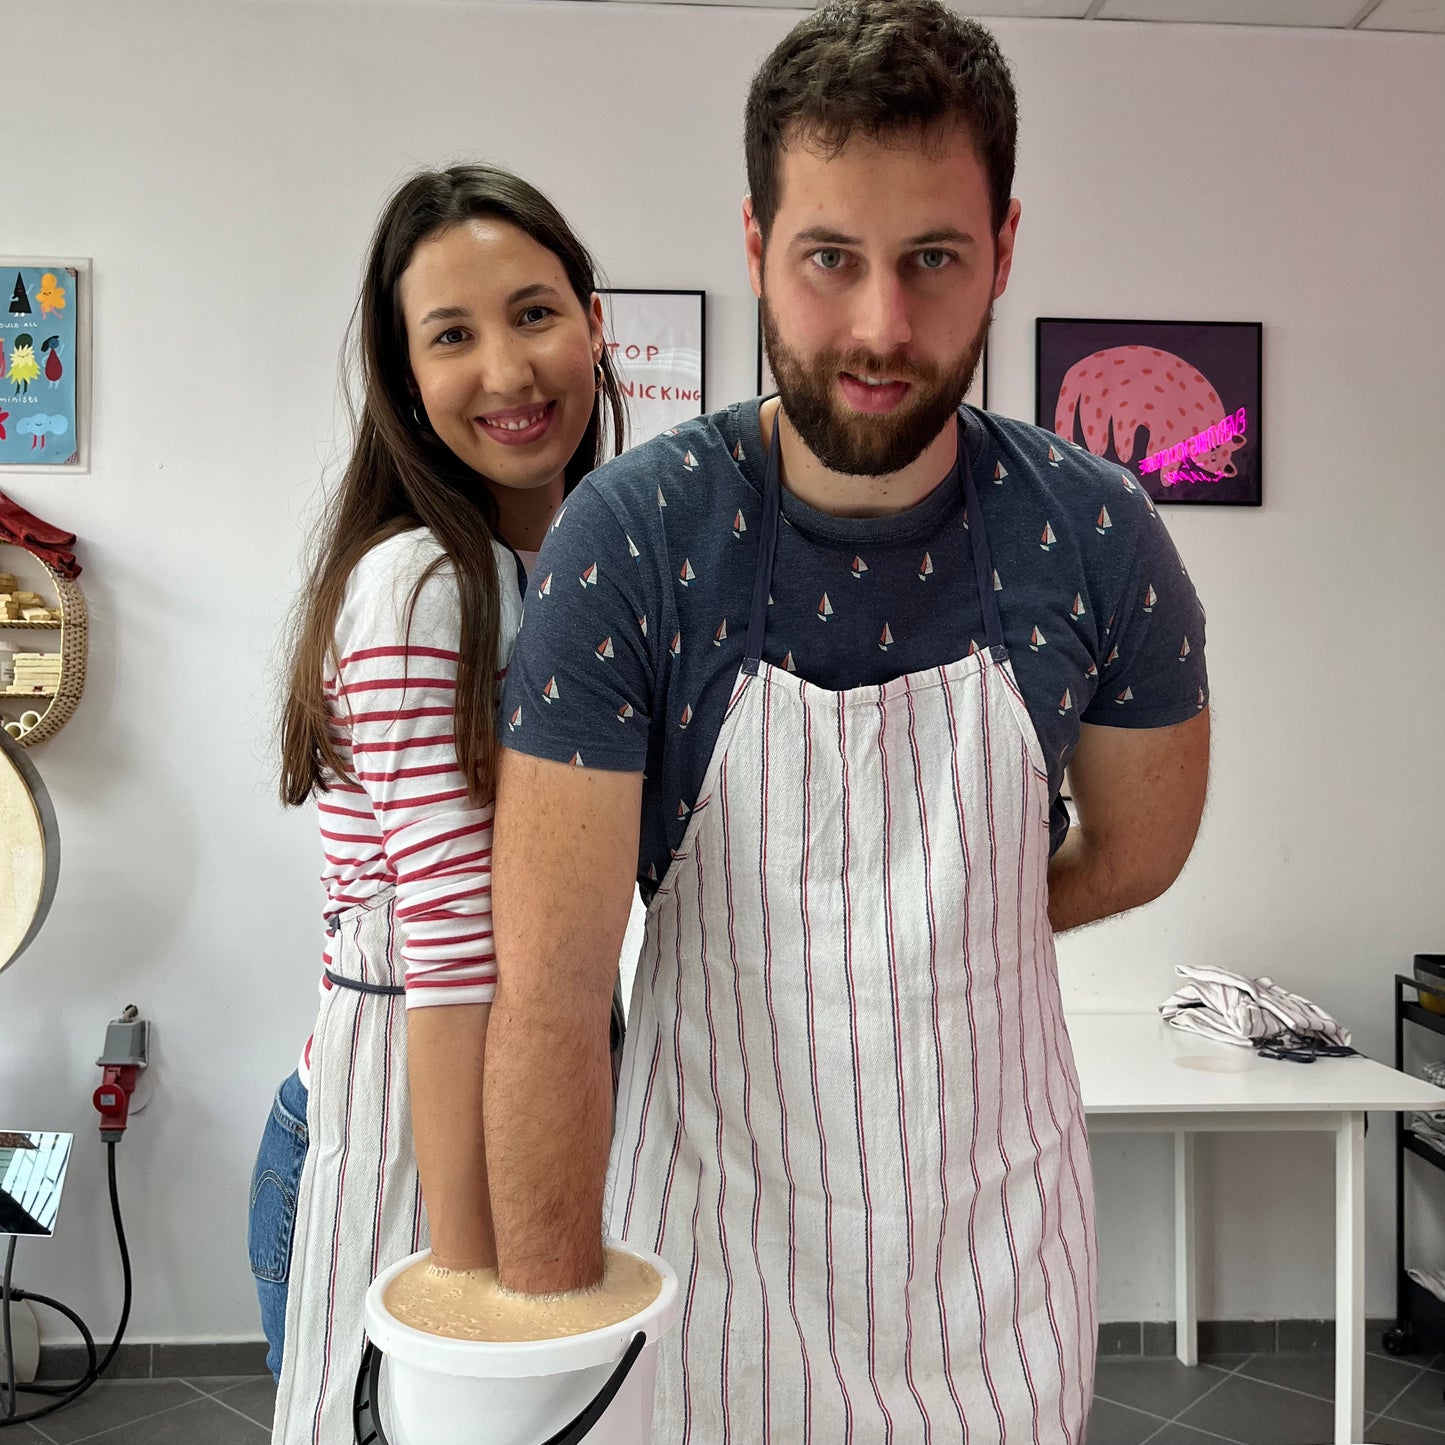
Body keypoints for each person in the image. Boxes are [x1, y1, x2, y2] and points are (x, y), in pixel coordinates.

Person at [484, 2, 1211, 1439]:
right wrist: (553, 1347)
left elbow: (1137, 848)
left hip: (995, 1273)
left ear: (1003, 247)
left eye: (932, 259)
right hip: (703, 1259)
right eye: (829, 259)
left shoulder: (1100, 534)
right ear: (755, 244)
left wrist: (941, 932)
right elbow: (555, 999)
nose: (880, 325)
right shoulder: (631, 539)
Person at [247, 163, 624, 1444]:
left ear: (591, 320)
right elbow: (453, 944)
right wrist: (475, 1283)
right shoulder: (423, 584)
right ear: (407, 380)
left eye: (532, 314)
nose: (508, 372)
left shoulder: (559, 567)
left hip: (494, 1115)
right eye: (451, 336)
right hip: (408, 1131)